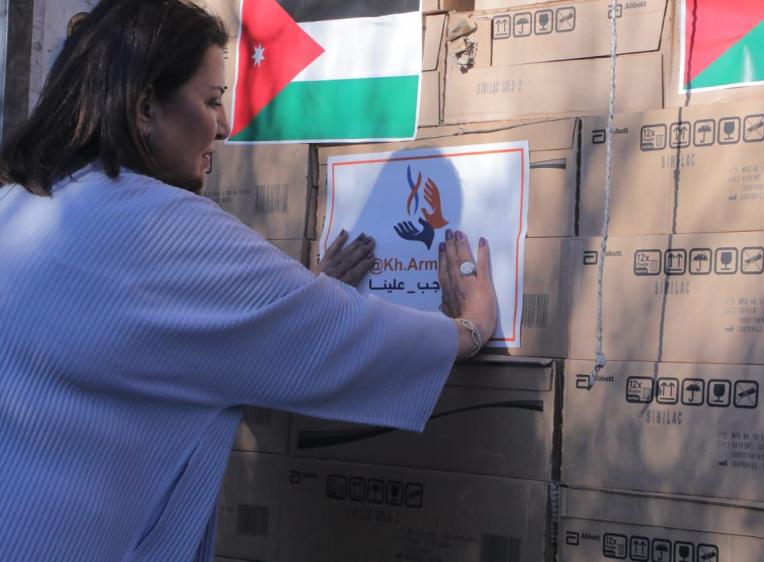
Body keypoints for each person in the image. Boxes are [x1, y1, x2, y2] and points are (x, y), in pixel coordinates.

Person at [0, 1, 498, 561]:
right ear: (145, 108)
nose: (224, 125)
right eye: (212, 100)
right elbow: (338, 337)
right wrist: (469, 328)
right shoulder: (166, 227)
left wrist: (295, 298)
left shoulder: (17, 204)